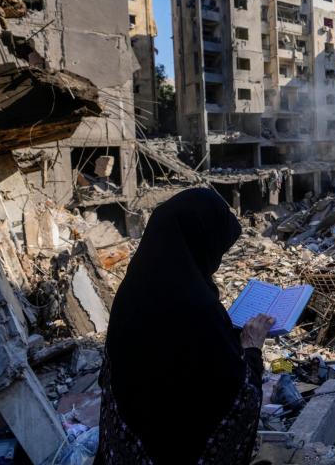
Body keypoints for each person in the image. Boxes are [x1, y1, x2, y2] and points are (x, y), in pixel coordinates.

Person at [97, 188, 274, 464]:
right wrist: (251, 348)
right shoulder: (195, 306)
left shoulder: (134, 288)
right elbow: (238, 399)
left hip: (123, 451)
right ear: (199, 243)